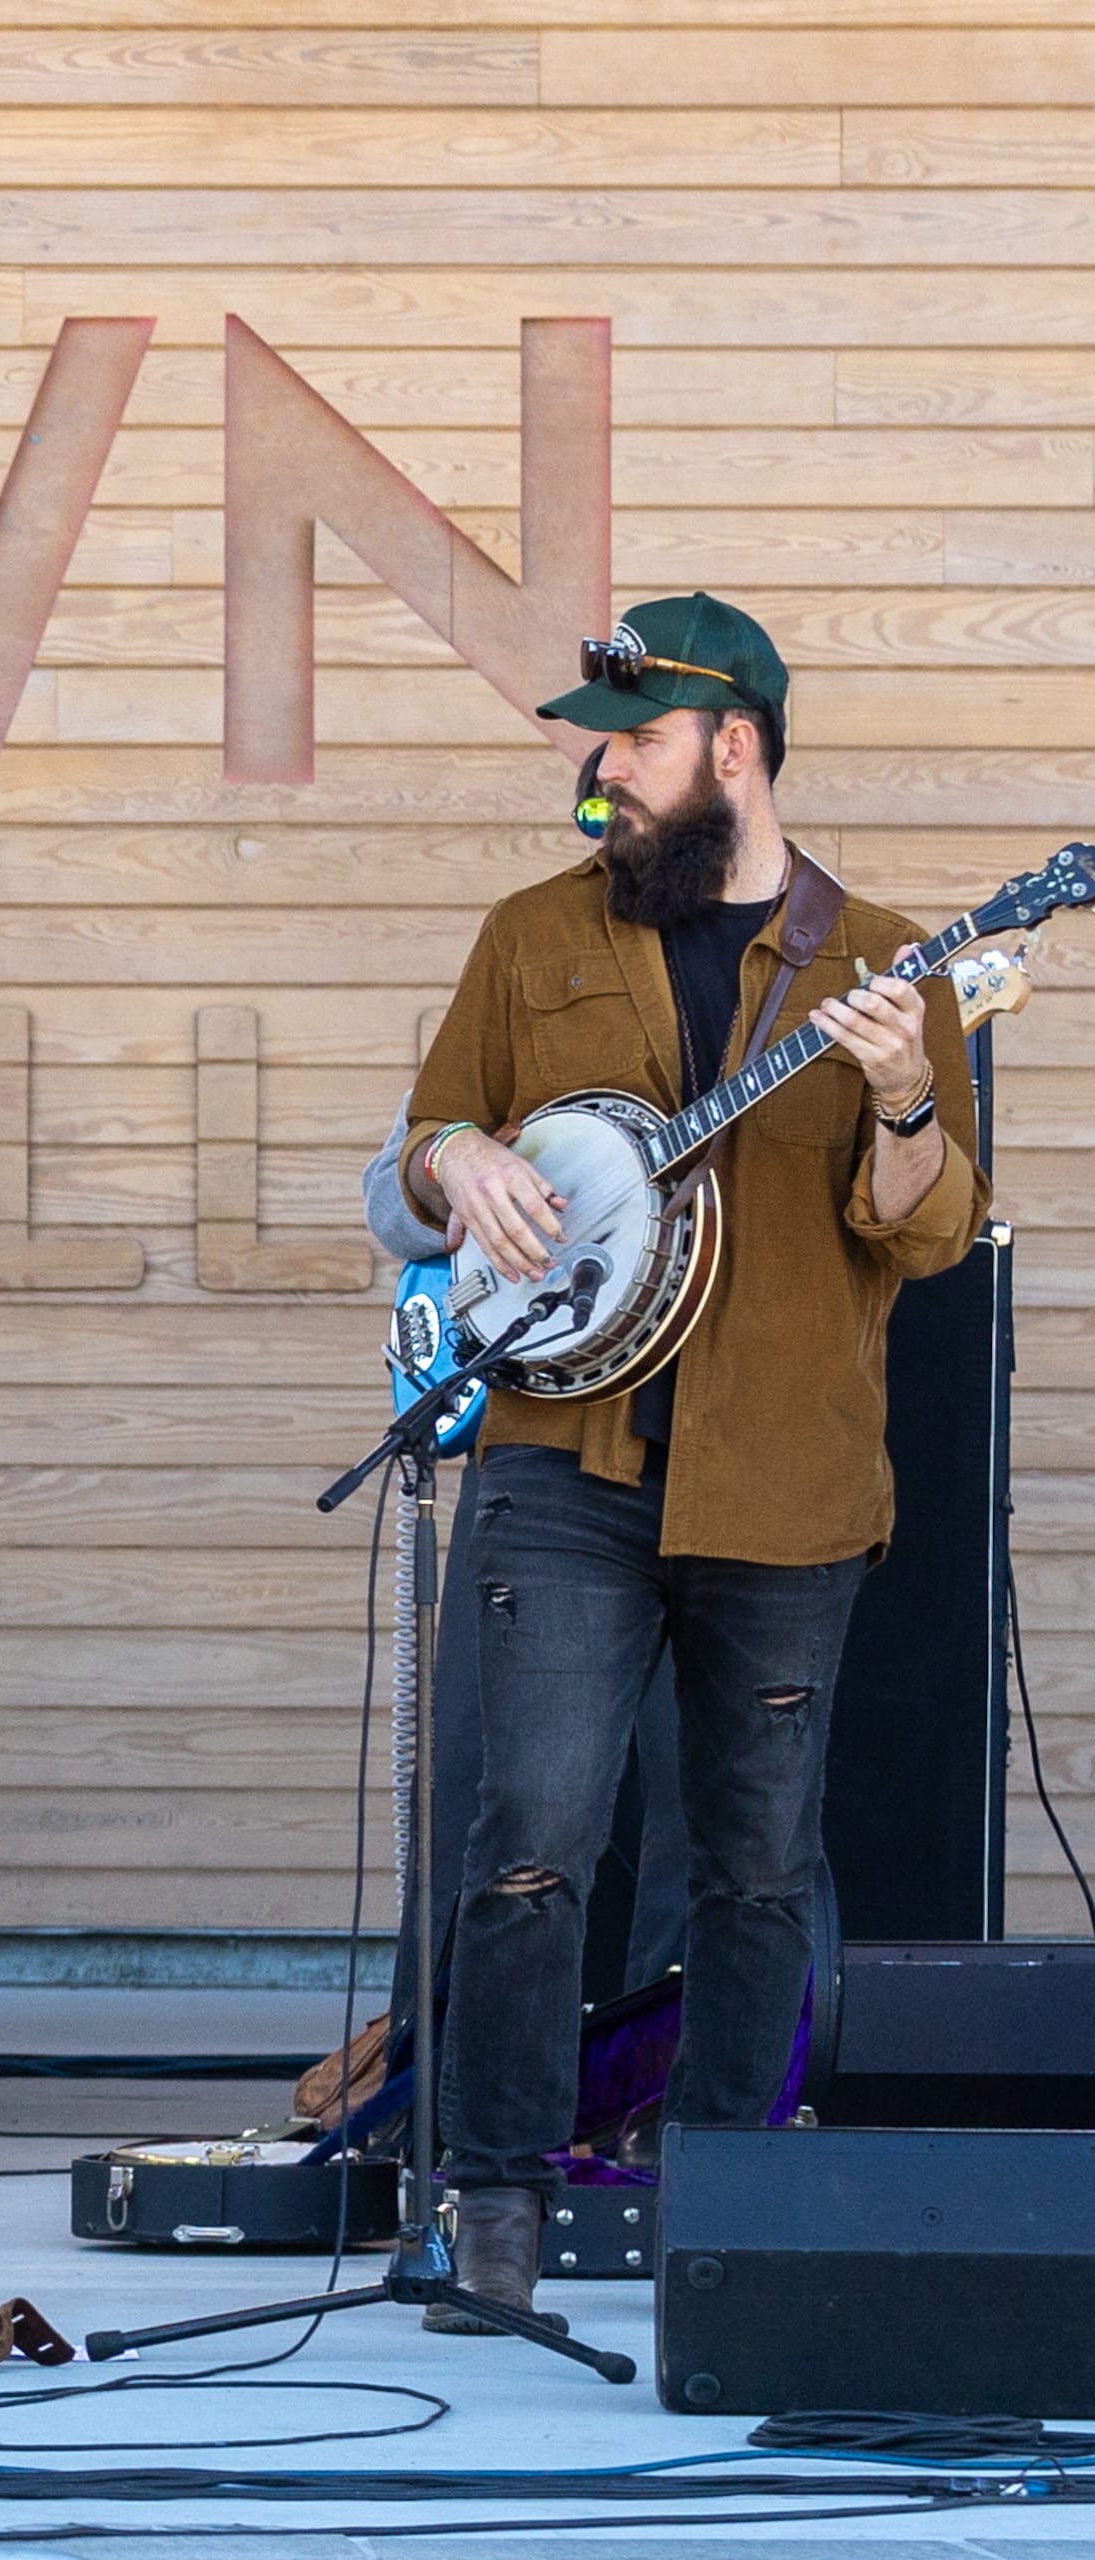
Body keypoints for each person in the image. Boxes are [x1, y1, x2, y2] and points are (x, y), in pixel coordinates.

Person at [399, 595, 987, 2324]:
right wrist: (458, 1167)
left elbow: (926, 1236)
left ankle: (728, 2205)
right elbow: (432, 1130)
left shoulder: (883, 963)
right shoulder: (532, 935)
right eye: (598, 743)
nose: (602, 774)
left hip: (786, 1489)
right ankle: (490, 2206)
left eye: (632, 743)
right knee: (529, 1844)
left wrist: (897, 1101)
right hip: (560, 1469)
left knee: (754, 1868)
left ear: (734, 747)